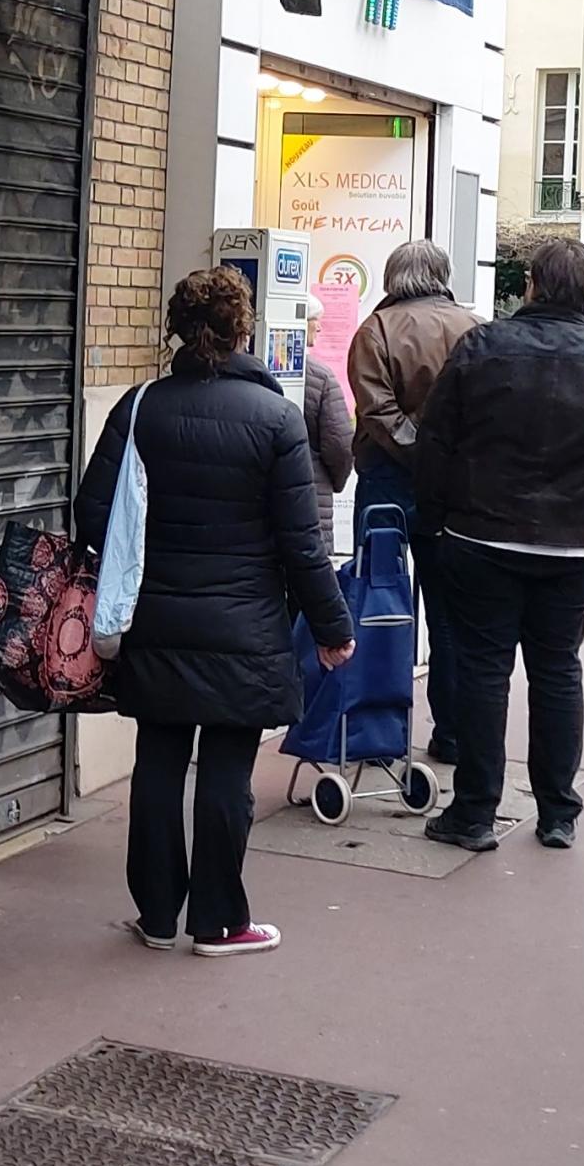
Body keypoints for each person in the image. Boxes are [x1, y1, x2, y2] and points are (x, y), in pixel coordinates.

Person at [77, 268, 354, 958]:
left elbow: (91, 514)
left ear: (177, 328)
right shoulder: (276, 420)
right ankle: (220, 922)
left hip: (155, 622)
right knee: (228, 767)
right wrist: (332, 628)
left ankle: (157, 914)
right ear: (244, 330)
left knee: (159, 760)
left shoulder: (140, 408)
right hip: (246, 626)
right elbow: (302, 544)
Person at [415, 238, 584, 854]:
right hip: (575, 545)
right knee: (557, 670)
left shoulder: (482, 347)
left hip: (482, 535)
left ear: (533, 287)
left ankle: (473, 813)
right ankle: (556, 813)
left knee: (484, 670)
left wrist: (436, 524)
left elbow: (437, 441)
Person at [346, 240, 479, 763]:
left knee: (380, 604)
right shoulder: (475, 328)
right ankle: (450, 731)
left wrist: (414, 452)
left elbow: (376, 410)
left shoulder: (375, 330)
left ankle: (377, 732)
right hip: (454, 487)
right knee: (449, 614)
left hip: (386, 480)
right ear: (442, 274)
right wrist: (442, 459)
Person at [301, 293, 355, 549]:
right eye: (315, 320)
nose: (320, 327)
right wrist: (336, 481)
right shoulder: (321, 377)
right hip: (313, 496)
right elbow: (341, 445)